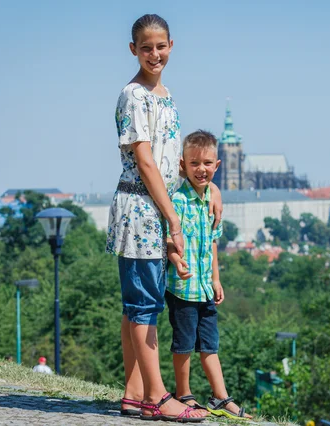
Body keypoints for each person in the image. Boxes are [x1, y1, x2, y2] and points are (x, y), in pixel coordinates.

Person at [106, 14, 221, 422]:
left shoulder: (166, 95)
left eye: (161, 46)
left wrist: (211, 188)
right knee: (144, 304)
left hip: (158, 208)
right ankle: (157, 395)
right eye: (146, 47)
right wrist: (173, 219)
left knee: (138, 304)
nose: (155, 54)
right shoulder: (134, 96)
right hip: (140, 210)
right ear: (133, 50)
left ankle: (135, 393)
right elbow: (146, 162)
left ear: (171, 45)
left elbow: (176, 159)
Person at [166, 130, 252, 420]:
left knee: (210, 344)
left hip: (204, 287)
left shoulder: (211, 202)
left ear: (217, 165)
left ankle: (221, 397)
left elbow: (212, 244)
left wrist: (216, 278)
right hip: (182, 287)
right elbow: (168, 240)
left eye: (207, 163)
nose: (201, 169)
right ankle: (183, 394)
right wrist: (177, 261)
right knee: (184, 344)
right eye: (194, 164)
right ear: (183, 166)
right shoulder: (178, 201)